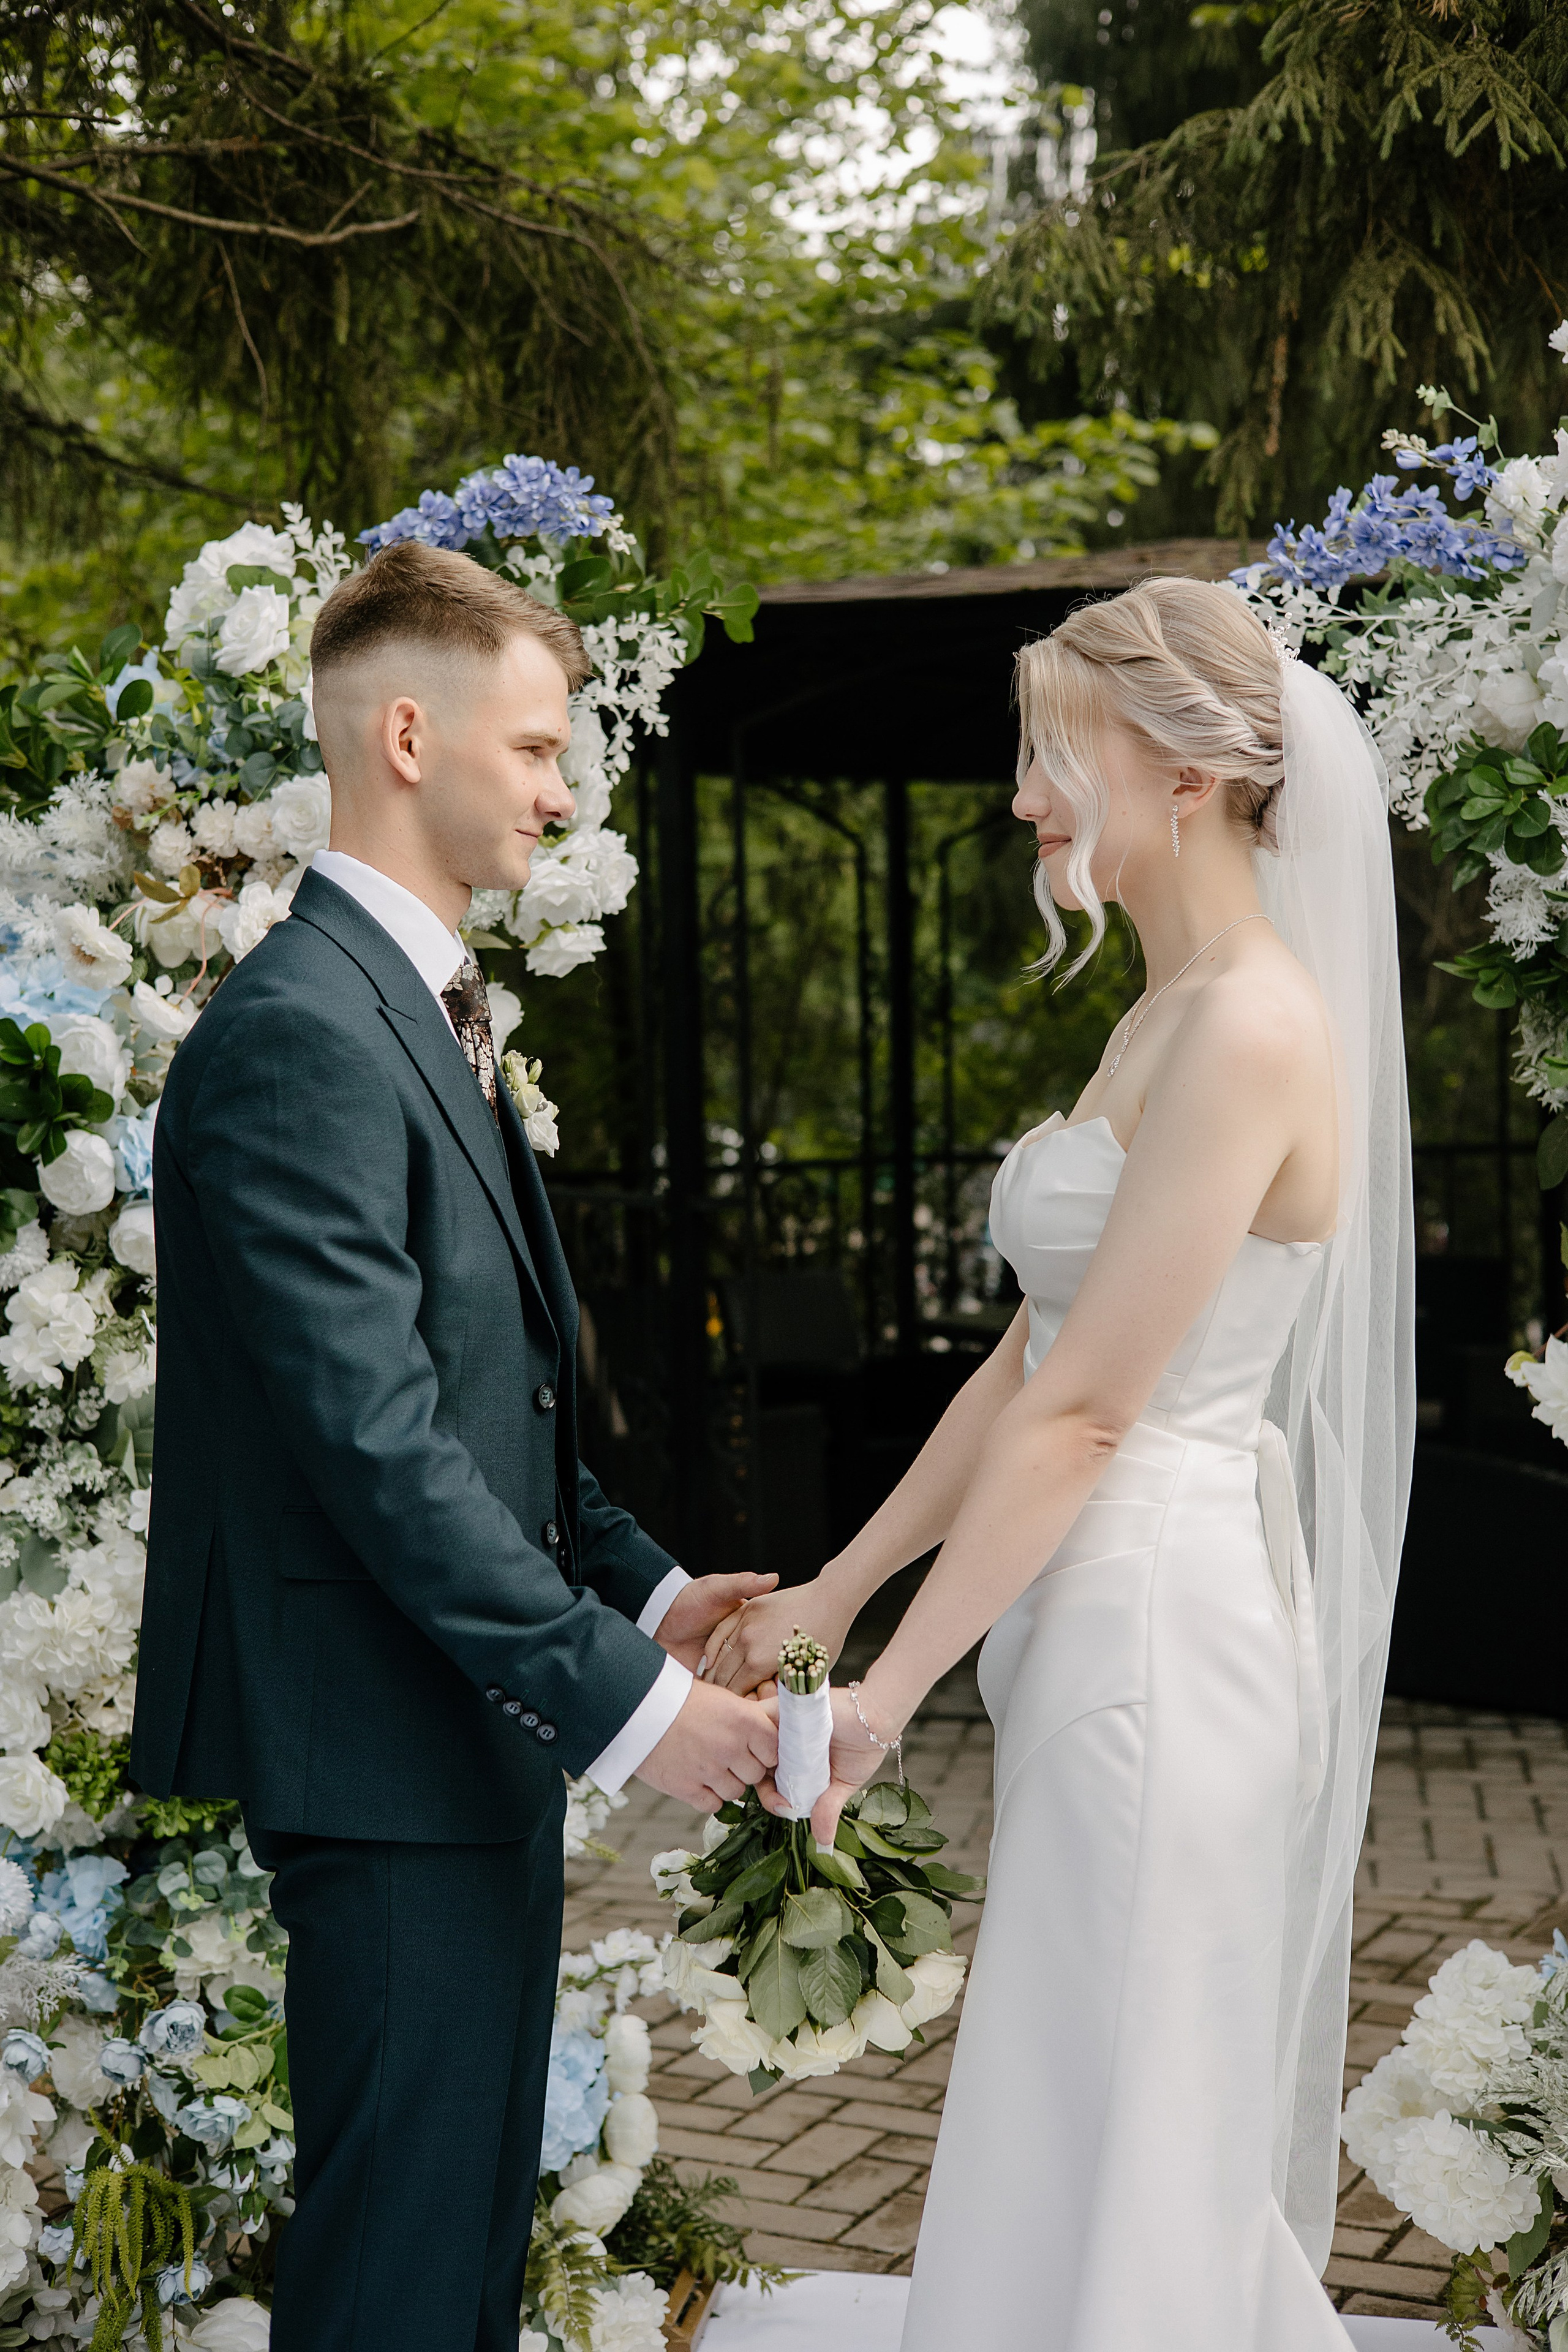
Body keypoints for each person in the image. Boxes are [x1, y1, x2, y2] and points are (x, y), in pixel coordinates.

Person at [706, 579, 1414, 2347]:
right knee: (1076, 2069)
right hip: (1086, 1605)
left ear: (1184, 771)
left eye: (1055, 753)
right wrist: (839, 1596)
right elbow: (1028, 1359)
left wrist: (883, 1703)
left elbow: (1095, 1412)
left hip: (1163, 1622)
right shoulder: (1163, 1011)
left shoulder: (1252, 1025)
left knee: (1139, 2087)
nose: (1024, 796)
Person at [129, 540, 780, 2352]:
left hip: (454, 1745)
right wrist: (642, 1715)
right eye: (539, 748)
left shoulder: (415, 1012)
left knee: (461, 2251)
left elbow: (499, 1400)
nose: (564, 794)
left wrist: (650, 1594)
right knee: (399, 2279)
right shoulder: (302, 1035)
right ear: (408, 736)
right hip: (383, 1755)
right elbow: (382, 1451)